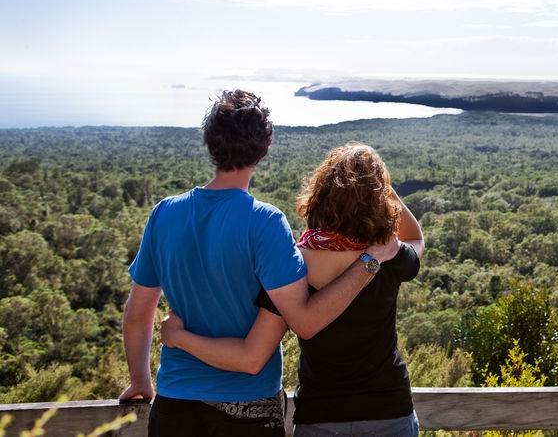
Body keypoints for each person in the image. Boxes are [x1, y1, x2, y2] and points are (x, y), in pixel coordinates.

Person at [120, 91, 398, 437]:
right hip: (246, 411)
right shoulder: (264, 222)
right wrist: (370, 258)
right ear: (262, 153)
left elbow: (137, 315)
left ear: (210, 144)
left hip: (175, 405)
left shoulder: (164, 214)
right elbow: (274, 343)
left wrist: (141, 381)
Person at [161, 142, 425, 437]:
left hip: (321, 414)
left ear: (321, 196)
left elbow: (252, 354)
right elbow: (415, 238)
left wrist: (178, 337)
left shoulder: (292, 264)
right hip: (389, 410)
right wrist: (382, 188)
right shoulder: (389, 254)